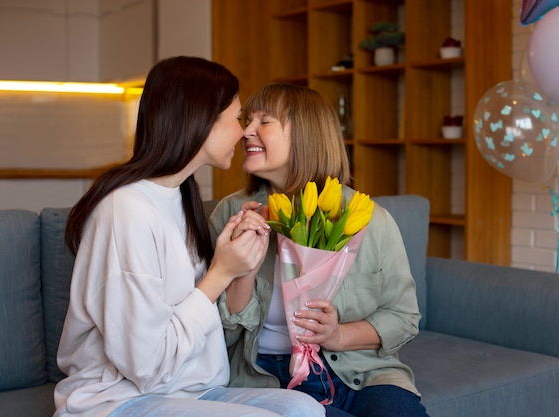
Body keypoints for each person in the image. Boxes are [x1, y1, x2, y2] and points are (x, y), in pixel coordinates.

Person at [54, 58, 325, 417]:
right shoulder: (126, 210)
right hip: (116, 399)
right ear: (201, 120)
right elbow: (147, 366)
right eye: (237, 117)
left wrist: (236, 259)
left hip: (189, 393)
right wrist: (221, 272)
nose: (243, 132)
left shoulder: (182, 198)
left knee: (304, 410)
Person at [208, 82, 429, 417]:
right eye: (247, 120)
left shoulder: (370, 220)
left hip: (362, 375)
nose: (246, 131)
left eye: (264, 122)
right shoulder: (232, 215)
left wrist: (338, 335)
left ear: (305, 135)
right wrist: (244, 269)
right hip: (264, 378)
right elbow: (214, 332)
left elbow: (403, 317)